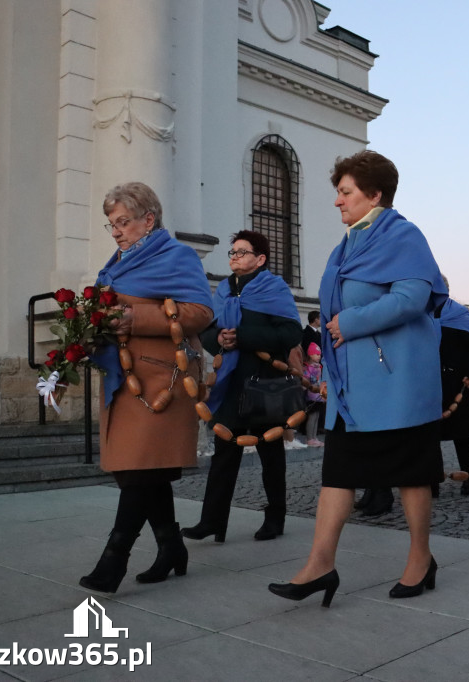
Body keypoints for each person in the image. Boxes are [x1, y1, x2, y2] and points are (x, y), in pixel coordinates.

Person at [267, 150, 448, 607]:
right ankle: (320, 564)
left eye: (345, 192)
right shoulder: (346, 245)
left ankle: (420, 558)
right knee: (339, 472)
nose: (337, 201)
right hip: (351, 389)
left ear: (375, 194)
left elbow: (412, 298)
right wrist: (330, 371)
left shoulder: (404, 235)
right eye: (338, 192)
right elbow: (328, 316)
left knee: (411, 474)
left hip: (397, 382)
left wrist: (352, 323)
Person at [80, 182, 213, 593]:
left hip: (161, 380)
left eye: (123, 222)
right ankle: (171, 547)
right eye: (111, 224)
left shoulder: (177, 256)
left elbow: (201, 312)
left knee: (138, 471)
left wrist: (136, 320)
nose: (116, 231)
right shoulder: (116, 263)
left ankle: (113, 559)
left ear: (148, 220)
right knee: (139, 471)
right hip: (124, 378)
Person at [182, 231, 302, 545]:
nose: (234, 256)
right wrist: (218, 340)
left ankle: (275, 518)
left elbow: (290, 333)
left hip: (265, 385)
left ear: (260, 259)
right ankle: (212, 521)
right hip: (231, 384)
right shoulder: (223, 290)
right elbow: (207, 330)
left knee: (271, 454)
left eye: (242, 251)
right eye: (232, 252)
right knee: (224, 453)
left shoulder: (274, 289)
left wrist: (243, 337)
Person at [436, 292, 469, 495]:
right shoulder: (422, 311)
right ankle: (432, 480)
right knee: (430, 436)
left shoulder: (458, 314)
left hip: (458, 383)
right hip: (431, 383)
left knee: (461, 435)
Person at [303, 343, 326, 447]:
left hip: (318, 396)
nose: (318, 356)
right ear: (310, 355)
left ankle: (314, 437)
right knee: (312, 417)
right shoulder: (307, 367)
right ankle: (310, 438)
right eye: (316, 354)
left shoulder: (319, 367)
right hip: (311, 396)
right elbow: (306, 381)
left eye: (319, 354)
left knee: (316, 416)